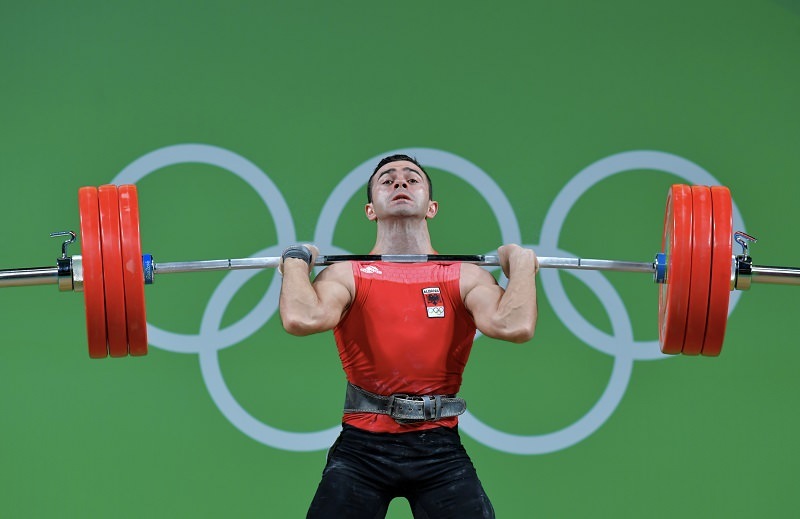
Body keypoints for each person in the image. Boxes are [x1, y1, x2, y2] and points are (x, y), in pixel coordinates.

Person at [278, 154, 538, 518]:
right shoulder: (347, 274)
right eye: (387, 179)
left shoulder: (464, 276)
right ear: (371, 210)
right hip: (361, 449)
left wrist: (523, 268)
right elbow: (301, 319)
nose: (400, 183)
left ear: (431, 207)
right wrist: (294, 261)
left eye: (412, 178)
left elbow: (515, 326)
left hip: (439, 449)